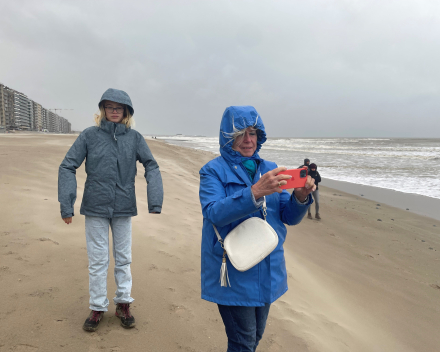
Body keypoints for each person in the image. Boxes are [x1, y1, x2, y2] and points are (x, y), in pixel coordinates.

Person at [199, 106, 315, 351]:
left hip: (267, 268)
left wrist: (301, 197)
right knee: (243, 342)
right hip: (233, 270)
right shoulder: (212, 171)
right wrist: (254, 192)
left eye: (253, 133)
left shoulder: (270, 168)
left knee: (255, 337)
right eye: (240, 134)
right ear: (227, 137)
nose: (248, 140)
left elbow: (288, 217)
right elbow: (213, 212)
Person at [58, 88, 164, 332]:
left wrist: (154, 201)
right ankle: (97, 306)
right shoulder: (89, 136)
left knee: (123, 258)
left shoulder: (135, 138)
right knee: (98, 260)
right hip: (94, 206)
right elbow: (67, 166)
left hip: (124, 206)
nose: (114, 111)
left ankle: (123, 303)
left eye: (119, 108)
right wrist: (67, 204)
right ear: (102, 110)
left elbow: (152, 165)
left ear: (126, 111)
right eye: (109, 107)